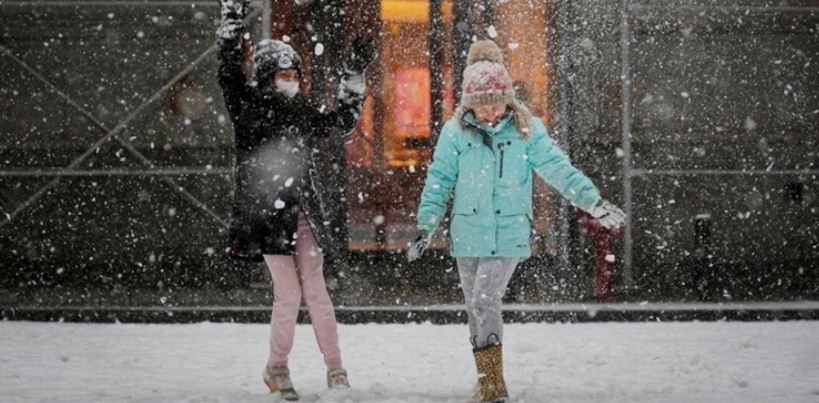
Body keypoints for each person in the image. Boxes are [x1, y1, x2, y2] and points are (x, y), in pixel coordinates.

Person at [407, 40, 625, 403]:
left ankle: (494, 387)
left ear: (508, 98)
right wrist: (425, 226)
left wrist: (593, 202)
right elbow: (439, 180)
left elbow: (559, 170)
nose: (491, 111)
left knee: (484, 300)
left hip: (508, 231)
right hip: (467, 232)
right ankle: (486, 379)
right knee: (475, 308)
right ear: (469, 104)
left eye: (497, 101)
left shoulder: (527, 130)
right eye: (482, 104)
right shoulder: (455, 132)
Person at [216, 0, 376, 400]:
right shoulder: (247, 108)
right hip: (268, 219)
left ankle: (335, 367)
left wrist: (354, 74)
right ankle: (276, 367)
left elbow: (342, 120)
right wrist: (232, 23)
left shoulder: (302, 111)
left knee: (317, 290)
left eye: (295, 75)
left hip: (304, 214)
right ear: (268, 78)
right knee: (287, 293)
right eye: (283, 75)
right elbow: (229, 74)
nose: (291, 82)